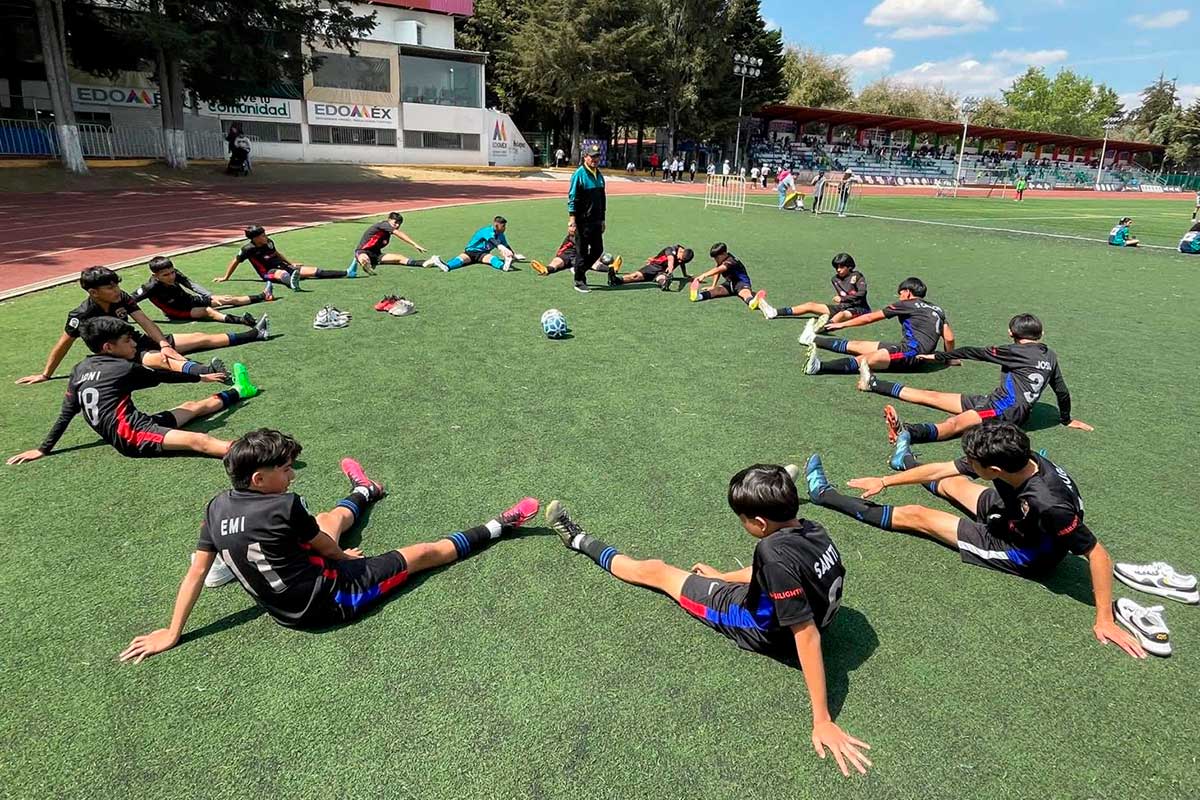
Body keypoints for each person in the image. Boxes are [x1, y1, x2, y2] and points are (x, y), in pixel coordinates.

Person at [543, 464, 871, 776]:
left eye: (742, 519)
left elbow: (806, 634)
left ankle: (578, 540)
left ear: (759, 523)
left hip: (756, 624)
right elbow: (778, 575)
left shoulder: (772, 552)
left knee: (657, 571)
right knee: (697, 575)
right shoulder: (812, 529)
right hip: (787, 609)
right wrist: (723, 577)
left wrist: (822, 720)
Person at [118, 428, 539, 661]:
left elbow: (196, 571)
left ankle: (364, 490)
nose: (292, 475)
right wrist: (341, 558)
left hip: (289, 594)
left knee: (326, 520)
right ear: (259, 479)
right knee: (423, 554)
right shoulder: (282, 505)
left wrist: (172, 631)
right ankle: (500, 526)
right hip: (329, 601)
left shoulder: (216, 506)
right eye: (286, 469)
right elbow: (328, 548)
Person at [801, 424, 1148, 661]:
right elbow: (943, 469)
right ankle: (902, 460)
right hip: (1013, 511)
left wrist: (1105, 619)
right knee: (952, 482)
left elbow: (1097, 553)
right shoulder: (1020, 457)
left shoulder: (1049, 505)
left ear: (995, 470)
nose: (968, 463)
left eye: (974, 463)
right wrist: (885, 480)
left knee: (919, 515)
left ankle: (824, 495)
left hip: (1023, 548)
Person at [7, 317, 258, 465]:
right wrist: (199, 376)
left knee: (192, 407)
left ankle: (240, 390)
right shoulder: (123, 368)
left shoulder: (79, 369)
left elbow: (67, 413)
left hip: (134, 424)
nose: (135, 344)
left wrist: (43, 448)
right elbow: (161, 377)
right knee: (199, 441)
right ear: (108, 347)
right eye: (128, 341)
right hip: (133, 438)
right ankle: (262, 456)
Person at [861, 313, 1092, 453]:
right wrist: (1066, 419)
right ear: (1040, 334)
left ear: (1011, 333)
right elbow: (1061, 390)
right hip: (996, 401)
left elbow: (973, 352)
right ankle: (872, 383)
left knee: (954, 424)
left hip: (1003, 411)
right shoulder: (1050, 355)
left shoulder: (1014, 351)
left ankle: (907, 432)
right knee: (932, 396)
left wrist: (939, 356)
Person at [16, 266, 269, 386]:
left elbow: (145, 322)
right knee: (162, 360)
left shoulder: (123, 298)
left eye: (116, 285)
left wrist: (164, 343)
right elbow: (63, 344)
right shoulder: (80, 315)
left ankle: (256, 333)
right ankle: (210, 372)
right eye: (110, 287)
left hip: (137, 339)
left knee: (199, 337)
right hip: (122, 352)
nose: (116, 290)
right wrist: (46, 374)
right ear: (93, 292)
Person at [798, 277, 953, 378]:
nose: (900, 297)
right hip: (909, 349)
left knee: (866, 359)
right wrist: (949, 359)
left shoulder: (907, 304)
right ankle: (811, 338)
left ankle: (819, 367)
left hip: (911, 354)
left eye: (900, 293)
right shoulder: (937, 309)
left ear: (907, 292)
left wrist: (842, 324)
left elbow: (870, 317)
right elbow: (949, 338)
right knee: (858, 345)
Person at [133, 256, 271, 326]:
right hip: (177, 311)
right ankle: (243, 320)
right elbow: (128, 299)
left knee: (226, 299)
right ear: (155, 275)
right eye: (166, 275)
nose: (171, 277)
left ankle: (263, 295)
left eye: (172, 272)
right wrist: (122, 315)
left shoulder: (175, 274)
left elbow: (191, 284)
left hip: (190, 300)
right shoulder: (150, 287)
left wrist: (211, 296)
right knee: (208, 311)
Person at [217, 225, 352, 291]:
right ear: (255, 238)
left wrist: (290, 263)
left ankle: (347, 272)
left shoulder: (269, 242)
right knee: (282, 274)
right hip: (268, 272)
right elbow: (236, 261)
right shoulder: (248, 249)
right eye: (262, 235)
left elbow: (277, 254)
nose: (265, 237)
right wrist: (226, 277)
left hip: (282, 265)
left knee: (315, 271)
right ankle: (293, 284)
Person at [760, 253, 867, 323]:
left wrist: (843, 299)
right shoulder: (835, 279)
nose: (838, 270)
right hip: (843, 307)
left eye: (842, 267)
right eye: (836, 267)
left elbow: (862, 293)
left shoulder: (857, 276)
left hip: (860, 310)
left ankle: (823, 328)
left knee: (841, 315)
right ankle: (774, 312)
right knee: (810, 305)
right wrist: (842, 302)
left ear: (849, 267)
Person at [564, 144, 608, 293]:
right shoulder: (579, 174)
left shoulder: (599, 175)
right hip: (582, 221)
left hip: (596, 221)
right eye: (592, 156)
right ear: (585, 157)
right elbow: (572, 198)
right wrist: (572, 220)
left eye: (597, 156)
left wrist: (602, 219)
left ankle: (579, 269)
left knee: (598, 250)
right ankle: (579, 281)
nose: (595, 159)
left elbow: (602, 199)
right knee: (581, 252)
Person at [688, 242, 767, 311]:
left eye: (717, 257)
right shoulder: (722, 259)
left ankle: (752, 302)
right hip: (730, 284)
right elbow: (718, 270)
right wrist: (713, 286)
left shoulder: (731, 260)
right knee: (716, 291)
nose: (716, 259)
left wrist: (704, 275)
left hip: (741, 283)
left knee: (744, 293)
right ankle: (698, 296)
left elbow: (720, 269)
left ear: (724, 253)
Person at [349, 212, 432, 276]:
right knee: (364, 258)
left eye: (399, 224)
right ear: (389, 220)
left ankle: (424, 263)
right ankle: (365, 264)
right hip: (363, 251)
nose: (397, 225)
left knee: (400, 258)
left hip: (376, 255)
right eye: (395, 222)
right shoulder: (384, 224)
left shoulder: (387, 232)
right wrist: (414, 244)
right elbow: (398, 233)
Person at [428, 216, 521, 272]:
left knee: (493, 259)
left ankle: (504, 267)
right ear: (496, 225)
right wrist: (500, 247)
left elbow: (506, 245)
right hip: (471, 252)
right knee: (459, 261)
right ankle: (445, 266)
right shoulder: (486, 231)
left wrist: (514, 255)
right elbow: (492, 240)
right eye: (503, 226)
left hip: (482, 254)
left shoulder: (501, 235)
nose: (505, 228)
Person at [530, 220, 620, 278]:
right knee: (557, 261)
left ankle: (612, 268)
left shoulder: (589, 234)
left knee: (592, 262)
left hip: (577, 255)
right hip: (566, 253)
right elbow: (572, 228)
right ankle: (546, 269)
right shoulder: (576, 233)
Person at [608, 245, 692, 290]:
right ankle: (615, 280)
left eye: (682, 261)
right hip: (653, 267)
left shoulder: (682, 256)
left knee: (662, 279)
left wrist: (685, 274)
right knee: (635, 276)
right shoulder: (670, 249)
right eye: (680, 259)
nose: (679, 261)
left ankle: (664, 284)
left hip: (662, 272)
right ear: (681, 251)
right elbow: (671, 261)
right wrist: (670, 272)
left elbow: (682, 263)